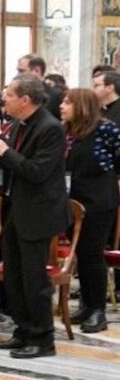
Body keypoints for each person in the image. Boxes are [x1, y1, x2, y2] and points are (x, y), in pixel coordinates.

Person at [0, 74, 70, 359]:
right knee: (15, 277)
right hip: (16, 209)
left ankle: (43, 339)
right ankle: (23, 330)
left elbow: (35, 172)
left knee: (34, 279)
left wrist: (1, 148)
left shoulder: (50, 128)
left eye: (8, 94)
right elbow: (12, 164)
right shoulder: (19, 124)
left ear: (25, 99)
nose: (3, 98)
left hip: (38, 213)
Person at [60, 88, 120, 333]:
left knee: (92, 253)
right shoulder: (68, 132)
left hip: (98, 200)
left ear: (82, 105)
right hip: (73, 200)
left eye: (67, 102)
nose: (62, 106)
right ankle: (86, 305)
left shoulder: (105, 129)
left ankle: (97, 311)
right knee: (81, 255)